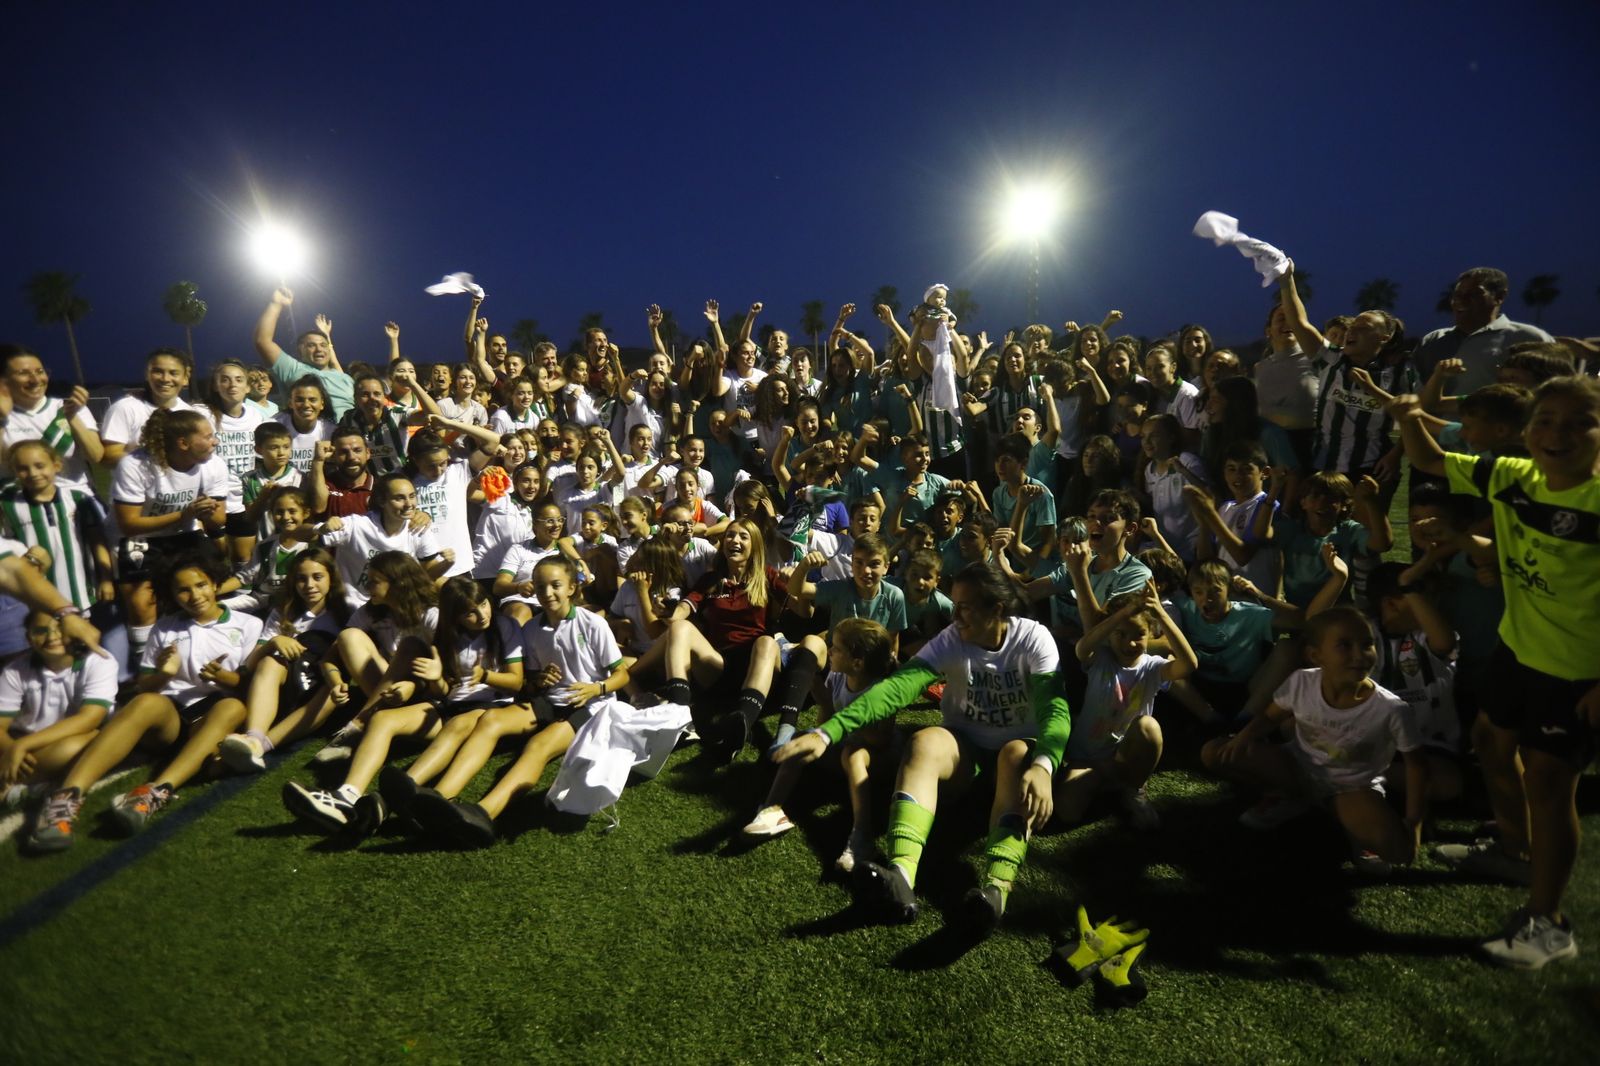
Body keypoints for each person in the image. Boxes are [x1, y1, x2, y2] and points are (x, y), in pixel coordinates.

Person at [1389, 377, 1600, 968]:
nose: (1556, 433)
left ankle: (1549, 924)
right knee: (1487, 739)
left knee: (1551, 786)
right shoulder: (1513, 476)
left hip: (1576, 671)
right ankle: (1513, 848)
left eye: (1578, 421)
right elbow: (1428, 456)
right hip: (1518, 648)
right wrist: (1409, 414)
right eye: (1546, 420)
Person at [774, 562, 1070, 933]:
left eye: (964, 607)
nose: (954, 614)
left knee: (1015, 754)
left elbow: (1055, 710)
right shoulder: (953, 639)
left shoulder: (1034, 639)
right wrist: (827, 732)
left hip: (1016, 757)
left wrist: (1044, 766)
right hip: (964, 755)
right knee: (925, 740)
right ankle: (900, 876)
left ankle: (996, 890)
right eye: (955, 604)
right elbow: (898, 688)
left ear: (996, 609)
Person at [29, 550, 263, 850]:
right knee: (143, 703)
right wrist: (164, 674)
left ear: (215, 584)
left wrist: (223, 678)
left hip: (213, 718)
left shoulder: (247, 625)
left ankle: (153, 793)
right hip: (170, 719)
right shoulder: (165, 627)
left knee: (232, 706)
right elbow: (144, 685)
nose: (194, 595)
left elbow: (248, 687)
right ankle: (65, 801)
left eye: (201, 585)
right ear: (173, 595)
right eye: (183, 590)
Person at [398, 558, 629, 847]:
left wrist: (597, 688)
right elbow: (531, 679)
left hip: (591, 706)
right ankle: (440, 797)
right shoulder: (531, 629)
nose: (548, 592)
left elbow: (622, 674)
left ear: (572, 587)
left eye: (556, 585)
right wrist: (539, 679)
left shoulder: (593, 624)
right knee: (490, 720)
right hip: (549, 699)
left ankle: (483, 813)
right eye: (541, 586)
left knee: (538, 746)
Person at [1201, 607, 1426, 878]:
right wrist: (1244, 736)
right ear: (1315, 655)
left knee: (1400, 852)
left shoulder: (1391, 709)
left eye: (1368, 645)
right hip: (1298, 769)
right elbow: (1271, 716)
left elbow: (1416, 766)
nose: (1360, 655)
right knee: (1214, 753)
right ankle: (1290, 795)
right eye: (1345, 645)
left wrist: (1413, 823)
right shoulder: (1301, 682)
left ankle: (1352, 822)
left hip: (1351, 787)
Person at [742, 618, 899, 871]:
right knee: (802, 740)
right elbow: (824, 726)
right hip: (842, 751)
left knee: (853, 754)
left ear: (857, 662)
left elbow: (883, 740)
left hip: (878, 761)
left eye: (836, 648)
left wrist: (851, 723)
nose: (831, 651)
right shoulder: (837, 679)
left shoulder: (882, 691)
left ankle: (862, 836)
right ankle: (773, 810)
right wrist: (826, 704)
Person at [1056, 584, 1198, 831]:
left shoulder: (1153, 668)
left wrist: (1160, 614)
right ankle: (1106, 785)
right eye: (1120, 633)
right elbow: (1082, 648)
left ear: (1150, 634)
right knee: (1067, 812)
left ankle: (1133, 788)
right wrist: (1122, 613)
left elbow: (1189, 664)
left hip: (1124, 757)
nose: (1129, 643)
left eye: (1138, 634)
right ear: (1110, 633)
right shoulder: (1100, 659)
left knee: (1149, 727)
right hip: (1087, 758)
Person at [216, 547, 348, 772]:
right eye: (301, 579)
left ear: (331, 578)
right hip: (287, 687)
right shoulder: (284, 611)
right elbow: (251, 664)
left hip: (326, 687)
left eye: (317, 577)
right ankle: (254, 737)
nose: (309, 585)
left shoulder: (346, 609)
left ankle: (261, 747)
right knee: (269, 662)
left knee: (332, 689)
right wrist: (273, 642)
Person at [0, 609, 118, 808]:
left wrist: (22, 746)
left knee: (86, 742)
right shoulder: (15, 670)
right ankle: (32, 783)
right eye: (40, 631)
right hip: (26, 746)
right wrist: (12, 748)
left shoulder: (99, 660)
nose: (52, 636)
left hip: (71, 738)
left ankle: (14, 783)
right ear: (28, 638)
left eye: (60, 629)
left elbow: (90, 719)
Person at [318, 473, 450, 608]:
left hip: (398, 606)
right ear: (381, 501)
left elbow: (429, 571)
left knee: (450, 587)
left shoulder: (417, 526)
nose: (409, 504)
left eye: (412, 496)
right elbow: (303, 534)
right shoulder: (356, 525)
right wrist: (319, 530)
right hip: (355, 607)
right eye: (399, 498)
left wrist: (447, 563)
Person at [1413, 268, 1556, 393]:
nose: (1461, 300)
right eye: (1457, 294)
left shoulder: (1530, 338)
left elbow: (1552, 392)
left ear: (1499, 297)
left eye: (1473, 294)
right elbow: (1417, 395)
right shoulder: (1432, 340)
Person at [0, 344, 103, 489]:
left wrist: (72, 417)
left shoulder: (69, 407)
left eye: (40, 371)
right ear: (4, 381)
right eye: (23, 373)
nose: (35, 379)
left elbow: (96, 456)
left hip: (73, 500)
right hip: (19, 502)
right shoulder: (4, 416)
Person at [253, 287, 354, 417]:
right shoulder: (292, 369)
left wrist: (326, 334)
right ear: (300, 350)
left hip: (349, 435)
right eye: (311, 345)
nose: (319, 349)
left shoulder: (345, 378)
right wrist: (276, 304)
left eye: (323, 345)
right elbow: (262, 341)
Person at [99, 348, 198, 466]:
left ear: (185, 378)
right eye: (158, 371)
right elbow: (109, 457)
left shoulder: (190, 413)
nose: (165, 379)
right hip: (137, 484)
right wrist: (150, 454)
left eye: (173, 373)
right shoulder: (125, 408)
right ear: (147, 374)